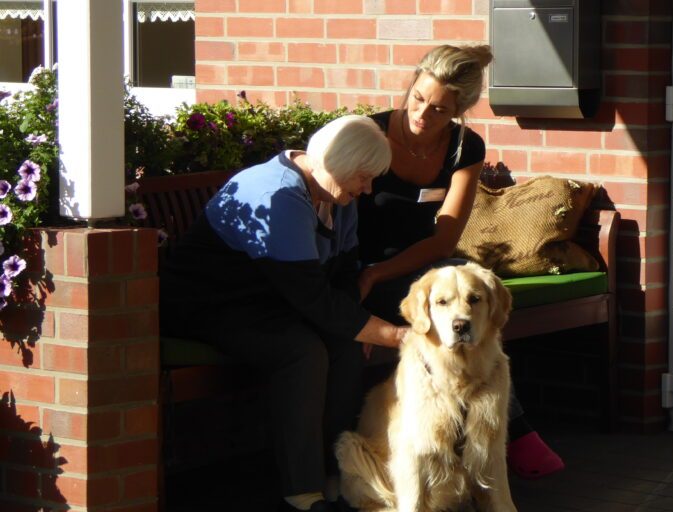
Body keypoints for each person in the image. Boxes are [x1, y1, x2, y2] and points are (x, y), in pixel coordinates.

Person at [159, 115, 404, 512]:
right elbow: (312, 297)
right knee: (302, 352)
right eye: (364, 177)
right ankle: (301, 492)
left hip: (270, 303)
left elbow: (343, 274)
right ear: (339, 163)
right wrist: (395, 335)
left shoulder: (337, 196)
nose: (368, 189)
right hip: (209, 306)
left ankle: (338, 472)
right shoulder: (278, 195)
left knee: (343, 343)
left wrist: (357, 327)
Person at [355, 44, 566, 480]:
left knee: (473, 298)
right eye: (418, 98)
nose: (422, 115)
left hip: (421, 265)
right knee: (439, 302)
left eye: (438, 109)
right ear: (410, 85)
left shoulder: (464, 146)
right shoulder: (370, 134)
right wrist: (367, 274)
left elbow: (446, 235)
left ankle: (498, 435)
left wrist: (384, 272)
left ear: (459, 111)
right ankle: (517, 432)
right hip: (360, 270)